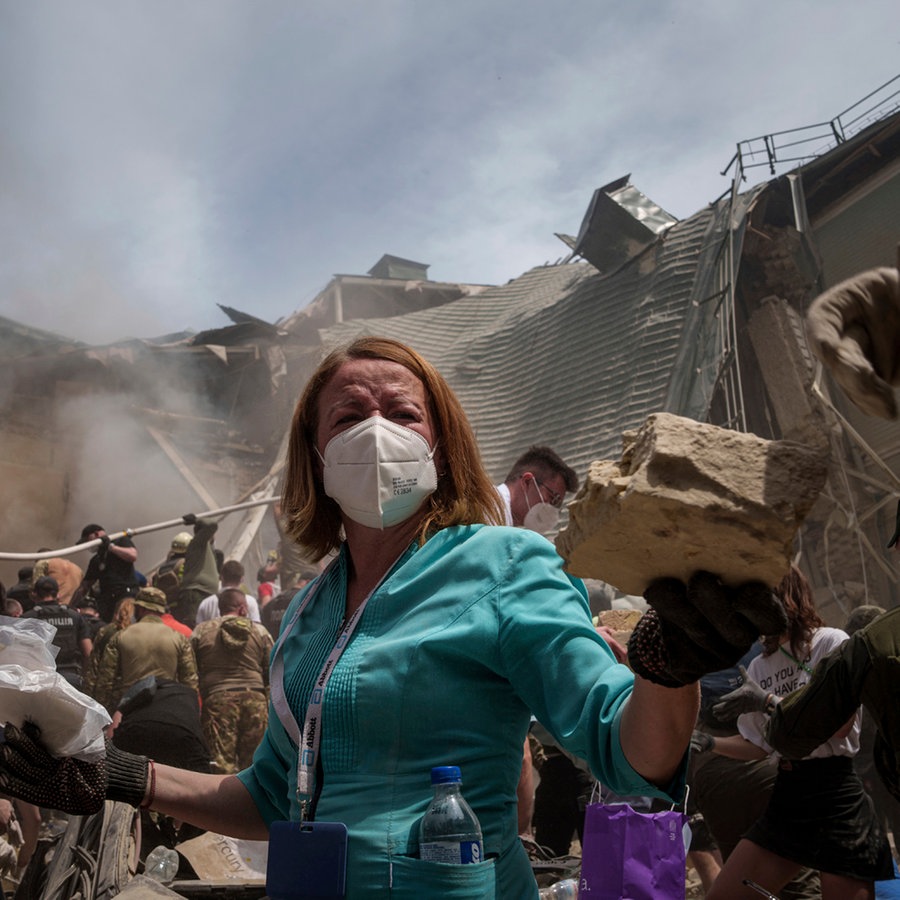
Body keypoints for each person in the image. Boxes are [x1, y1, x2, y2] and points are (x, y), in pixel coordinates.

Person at [0, 336, 784, 898]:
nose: (376, 431)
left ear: (439, 445)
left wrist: (667, 664)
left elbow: (628, 749)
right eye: (348, 417)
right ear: (313, 455)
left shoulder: (504, 563)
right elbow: (271, 798)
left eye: (402, 413)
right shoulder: (306, 612)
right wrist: (117, 775)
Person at [695, 566, 893, 899]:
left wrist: (769, 700)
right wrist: (709, 742)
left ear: (783, 597)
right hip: (788, 796)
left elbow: (838, 723)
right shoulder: (760, 665)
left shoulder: (831, 642)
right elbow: (758, 745)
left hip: (835, 797)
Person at [191, 587, 273, 773]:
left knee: (220, 764)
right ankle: (252, 801)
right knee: (255, 763)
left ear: (220, 608)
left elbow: (191, 671)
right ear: (243, 608)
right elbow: (273, 671)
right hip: (255, 702)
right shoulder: (260, 632)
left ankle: (223, 800)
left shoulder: (201, 631)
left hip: (217, 701)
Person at [90, 586, 198, 718]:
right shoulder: (179, 638)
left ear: (140, 609)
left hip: (130, 710)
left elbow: (105, 683)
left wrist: (104, 717)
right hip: (167, 708)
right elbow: (189, 683)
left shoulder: (121, 637)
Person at [21, 576, 92, 689]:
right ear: (58, 594)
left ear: (34, 594)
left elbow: (20, 654)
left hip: (40, 680)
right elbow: (88, 652)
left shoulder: (27, 618)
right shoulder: (75, 616)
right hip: (71, 678)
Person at [496, 444, 578, 533]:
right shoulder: (488, 511)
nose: (551, 511)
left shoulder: (505, 525)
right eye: (552, 498)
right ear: (527, 482)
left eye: (557, 505)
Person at [77, 523, 139, 623]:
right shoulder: (96, 560)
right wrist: (71, 604)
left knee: (125, 624)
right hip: (108, 602)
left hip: (125, 596)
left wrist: (110, 547)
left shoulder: (120, 541)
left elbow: (132, 555)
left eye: (87, 540)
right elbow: (86, 585)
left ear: (96, 534)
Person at [171, 514, 220, 628]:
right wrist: (197, 520)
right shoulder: (198, 543)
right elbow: (211, 524)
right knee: (195, 627)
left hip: (204, 593)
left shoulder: (206, 547)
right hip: (197, 593)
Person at [194, 559, 262, 625]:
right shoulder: (250, 601)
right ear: (242, 579)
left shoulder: (206, 603)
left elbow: (199, 630)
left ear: (221, 577)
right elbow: (257, 627)